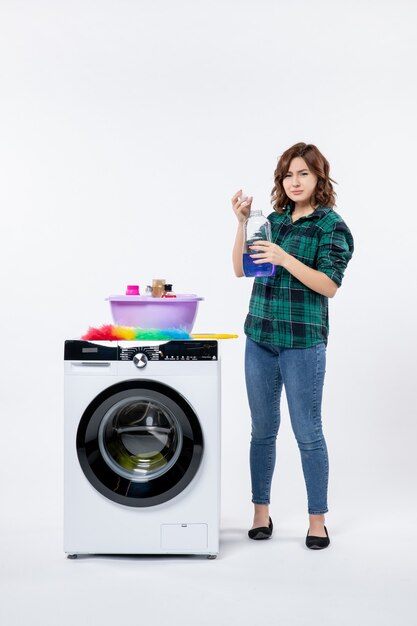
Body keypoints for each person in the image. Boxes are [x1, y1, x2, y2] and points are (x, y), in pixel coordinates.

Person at [231, 142, 354, 549]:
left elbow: (329, 286)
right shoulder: (273, 220)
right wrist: (240, 222)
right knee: (262, 431)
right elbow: (240, 269)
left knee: (307, 433)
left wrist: (285, 259)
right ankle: (260, 513)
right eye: (288, 174)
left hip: (302, 344)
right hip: (260, 338)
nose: (295, 181)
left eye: (303, 173)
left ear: (320, 177)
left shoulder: (330, 226)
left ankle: (316, 520)